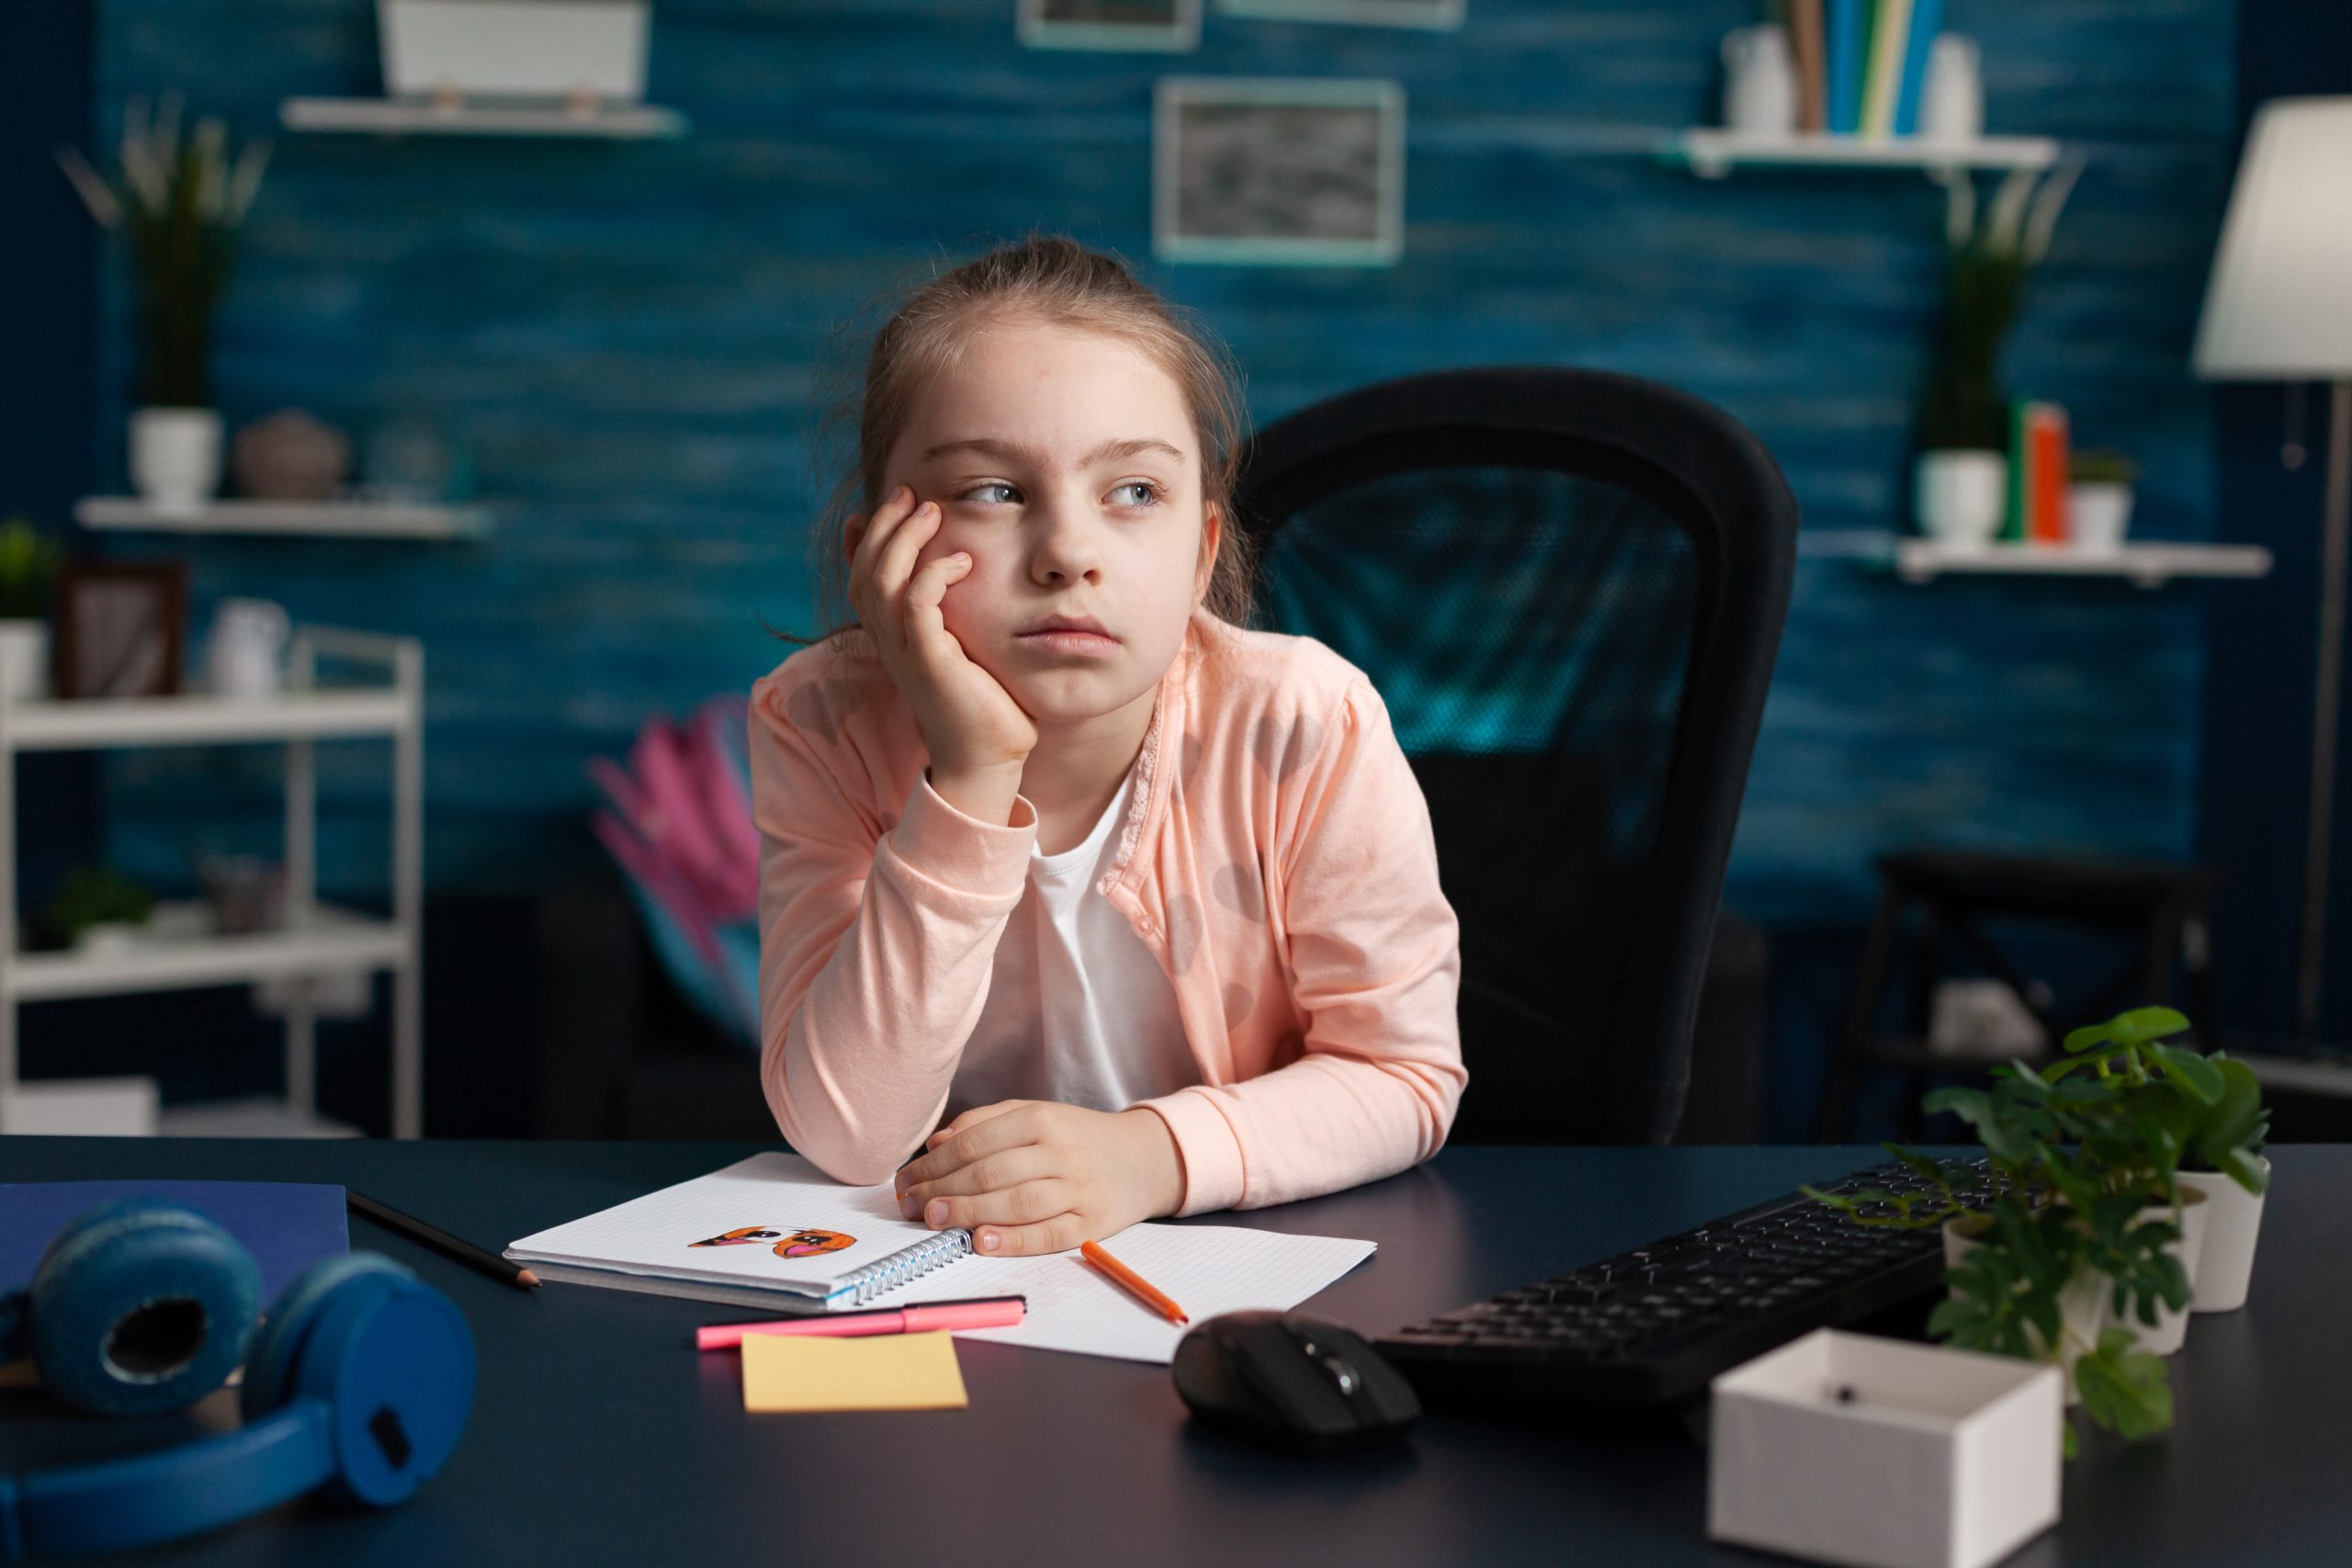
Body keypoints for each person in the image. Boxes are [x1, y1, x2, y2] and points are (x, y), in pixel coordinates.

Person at [751, 233, 1464, 1258]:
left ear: (1201, 550)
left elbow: (1404, 1076)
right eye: (993, 492)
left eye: (1133, 493)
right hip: (954, 1268)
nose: (1068, 555)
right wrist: (971, 774)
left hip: (1232, 1265)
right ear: (875, 558)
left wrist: (1145, 1157)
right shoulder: (819, 720)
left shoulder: (1306, 721)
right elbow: (846, 1133)